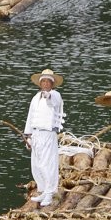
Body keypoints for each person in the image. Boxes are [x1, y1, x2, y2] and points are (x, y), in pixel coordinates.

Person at [24, 68, 65, 207]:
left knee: (47, 164)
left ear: (52, 84)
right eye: (43, 81)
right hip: (36, 134)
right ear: (40, 83)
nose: (46, 84)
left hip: (48, 133)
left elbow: (52, 101)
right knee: (36, 164)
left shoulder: (55, 95)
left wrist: (47, 95)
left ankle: (50, 192)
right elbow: (30, 117)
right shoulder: (35, 98)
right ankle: (43, 189)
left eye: (48, 81)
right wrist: (28, 136)